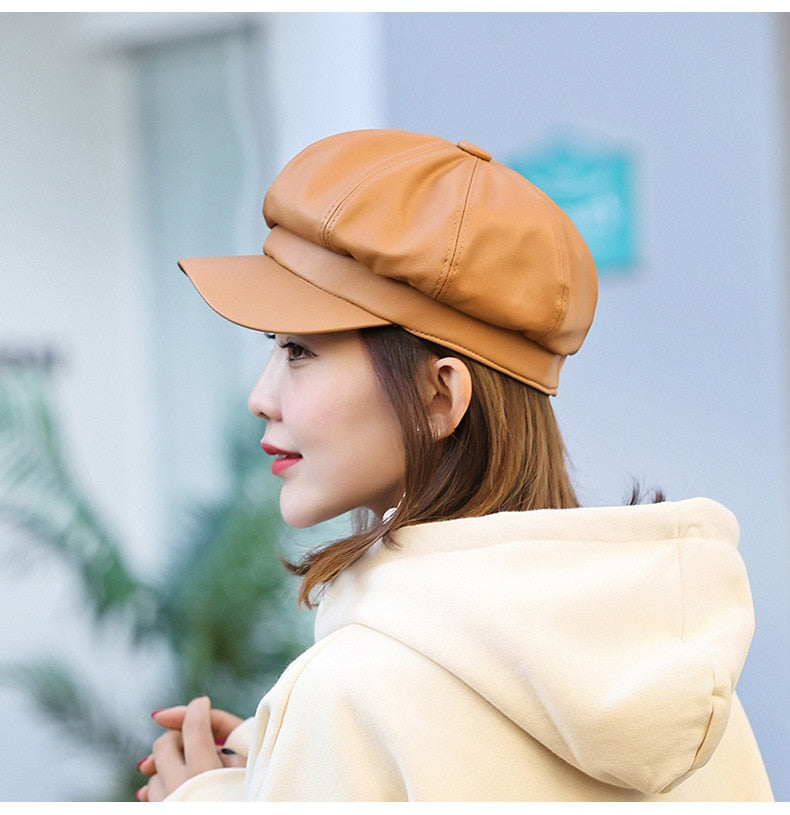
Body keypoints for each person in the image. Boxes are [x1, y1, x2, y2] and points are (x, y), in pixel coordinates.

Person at [135, 129, 773, 802]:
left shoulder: (352, 688)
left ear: (439, 396)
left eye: (299, 351)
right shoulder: (680, 669)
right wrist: (283, 757)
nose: (261, 397)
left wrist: (206, 797)